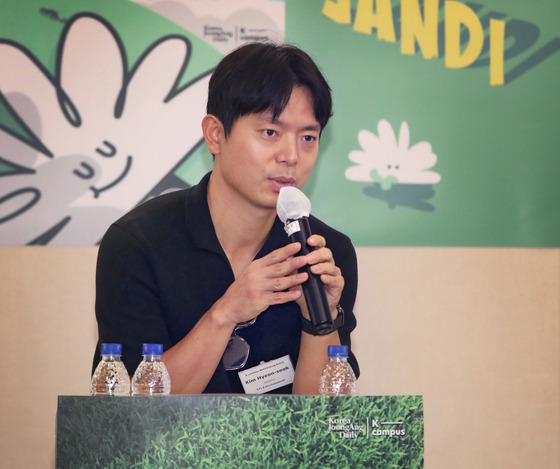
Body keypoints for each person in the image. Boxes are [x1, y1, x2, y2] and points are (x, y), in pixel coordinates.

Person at [93, 42, 359, 394]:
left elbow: (322, 428)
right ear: (215, 134)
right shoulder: (137, 243)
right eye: (270, 133)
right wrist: (226, 312)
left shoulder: (324, 253)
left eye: (308, 137)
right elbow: (126, 412)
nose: (292, 156)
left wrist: (319, 320)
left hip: (281, 451)